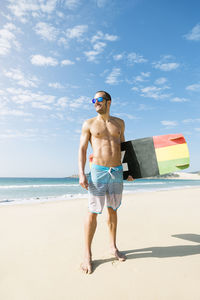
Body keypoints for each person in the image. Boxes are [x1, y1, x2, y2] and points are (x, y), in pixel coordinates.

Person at [78, 90, 133, 274]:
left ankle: (112, 246)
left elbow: (124, 148)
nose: (95, 102)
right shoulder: (89, 124)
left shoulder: (120, 123)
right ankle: (87, 254)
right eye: (93, 100)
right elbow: (83, 149)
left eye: (99, 99)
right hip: (98, 172)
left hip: (117, 171)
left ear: (109, 101)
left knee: (113, 209)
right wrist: (81, 173)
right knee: (93, 211)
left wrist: (128, 171)